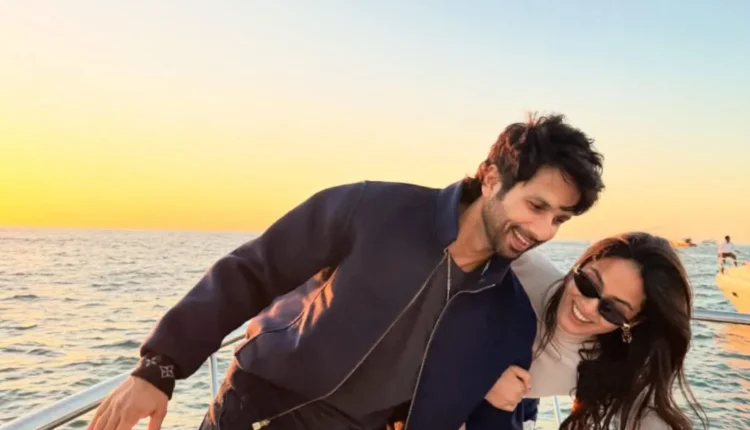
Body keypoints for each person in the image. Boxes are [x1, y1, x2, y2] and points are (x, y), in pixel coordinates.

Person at [87, 113, 605, 430]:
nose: (543, 230)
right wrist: (160, 368)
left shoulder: (508, 313)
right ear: (492, 178)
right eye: (536, 206)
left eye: (559, 219)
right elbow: (253, 271)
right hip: (255, 411)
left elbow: (491, 418)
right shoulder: (374, 209)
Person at [465, 232, 708, 430]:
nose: (588, 306)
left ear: (633, 323)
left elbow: (650, 417)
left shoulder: (606, 366)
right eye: (588, 284)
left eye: (612, 310)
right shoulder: (523, 268)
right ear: (577, 267)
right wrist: (480, 378)